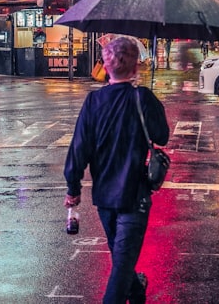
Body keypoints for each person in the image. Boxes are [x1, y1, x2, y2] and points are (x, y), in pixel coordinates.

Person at [64, 37, 170, 304]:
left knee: (122, 260)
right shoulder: (142, 98)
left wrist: (73, 189)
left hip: (104, 196)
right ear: (136, 67)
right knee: (122, 264)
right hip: (135, 197)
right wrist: (152, 104)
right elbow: (163, 136)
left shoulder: (93, 102)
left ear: (106, 67)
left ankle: (136, 290)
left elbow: (79, 149)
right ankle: (134, 289)